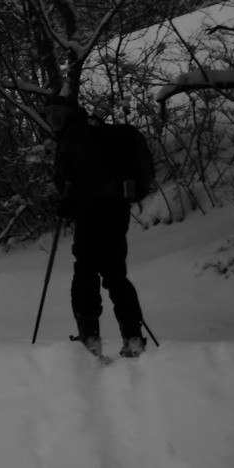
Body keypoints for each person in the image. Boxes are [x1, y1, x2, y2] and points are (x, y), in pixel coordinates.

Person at [43, 94, 147, 358]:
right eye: (48, 113)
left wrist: (71, 202)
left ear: (69, 112)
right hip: (115, 209)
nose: (52, 117)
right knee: (115, 273)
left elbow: (91, 172)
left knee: (86, 273)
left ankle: (90, 337)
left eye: (57, 110)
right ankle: (133, 336)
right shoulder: (93, 128)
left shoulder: (77, 133)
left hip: (94, 211)